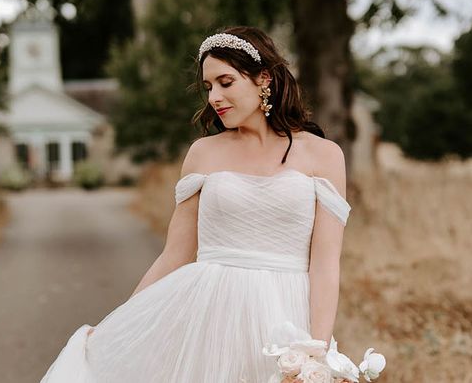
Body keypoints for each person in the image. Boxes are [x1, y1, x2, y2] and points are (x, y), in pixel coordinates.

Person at [39, 25, 351, 383]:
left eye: (226, 82)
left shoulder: (324, 155)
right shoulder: (203, 153)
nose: (214, 96)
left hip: (286, 320)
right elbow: (175, 254)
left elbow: (326, 265)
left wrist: (316, 354)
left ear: (263, 78)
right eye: (208, 87)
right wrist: (119, 324)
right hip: (208, 317)